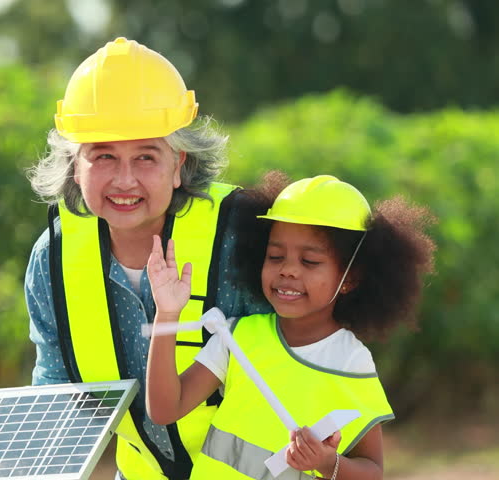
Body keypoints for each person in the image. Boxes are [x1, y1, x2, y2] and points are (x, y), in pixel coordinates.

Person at [24, 37, 271, 479]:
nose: (124, 180)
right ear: (75, 166)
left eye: (145, 156)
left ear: (179, 163)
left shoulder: (241, 236)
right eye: (103, 156)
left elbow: (303, 361)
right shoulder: (53, 259)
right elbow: (55, 401)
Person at [145, 173, 436, 479]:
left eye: (309, 261)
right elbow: (165, 410)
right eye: (275, 256)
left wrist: (326, 462)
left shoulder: (350, 361)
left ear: (349, 278)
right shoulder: (237, 336)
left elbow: (372, 472)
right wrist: (167, 313)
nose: (288, 271)